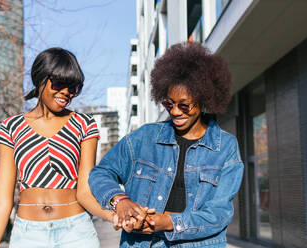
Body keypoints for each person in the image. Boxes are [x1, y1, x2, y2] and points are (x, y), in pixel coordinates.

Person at [89, 42, 244, 247]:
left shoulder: (225, 147)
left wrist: (168, 223)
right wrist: (119, 201)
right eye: (168, 104)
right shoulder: (145, 138)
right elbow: (101, 172)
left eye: (184, 105)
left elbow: (218, 213)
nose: (175, 111)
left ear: (204, 99)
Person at [0, 48, 114, 248]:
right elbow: (2, 199)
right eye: (59, 84)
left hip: (76, 233)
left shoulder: (84, 124)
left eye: (73, 87)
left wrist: (113, 216)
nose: (66, 92)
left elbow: (85, 192)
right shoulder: (11, 127)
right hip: (28, 236)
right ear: (40, 79)